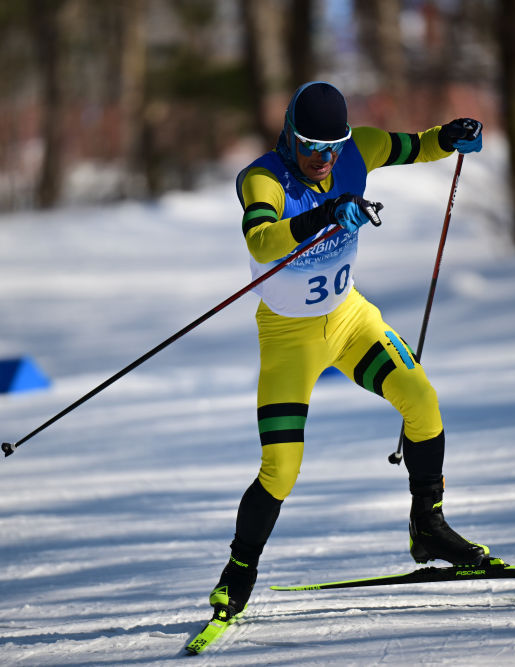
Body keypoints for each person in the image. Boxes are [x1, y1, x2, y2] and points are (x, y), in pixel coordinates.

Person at [209, 81, 487, 619]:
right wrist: (326, 213)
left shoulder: (358, 148)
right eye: (312, 147)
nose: (323, 159)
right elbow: (261, 240)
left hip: (349, 319)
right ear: (289, 136)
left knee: (421, 401)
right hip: (290, 338)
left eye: (332, 148)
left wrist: (452, 135)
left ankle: (427, 528)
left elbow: (417, 145)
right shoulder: (264, 177)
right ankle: (238, 571)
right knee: (281, 468)